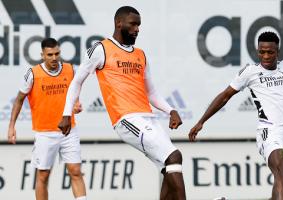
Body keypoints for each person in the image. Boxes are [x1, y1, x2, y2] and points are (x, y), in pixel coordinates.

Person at [188, 31, 283, 200]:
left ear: (277, 51)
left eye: (270, 52)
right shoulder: (250, 72)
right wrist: (201, 121)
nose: (266, 56)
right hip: (269, 133)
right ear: (257, 51)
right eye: (262, 52)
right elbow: (225, 96)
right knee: (281, 172)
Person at [58, 6, 186, 200]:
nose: (137, 29)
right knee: (174, 156)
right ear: (119, 23)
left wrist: (171, 110)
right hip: (126, 119)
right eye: (133, 24)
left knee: (168, 167)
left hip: (148, 118)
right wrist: (67, 114)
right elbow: (76, 82)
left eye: (139, 25)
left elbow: (150, 91)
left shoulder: (140, 54)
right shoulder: (101, 49)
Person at [7, 38, 87, 200]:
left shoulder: (70, 69)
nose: (54, 58)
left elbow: (74, 93)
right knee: (43, 175)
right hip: (45, 133)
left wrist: (76, 104)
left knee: (75, 171)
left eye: (57, 53)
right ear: (42, 55)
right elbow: (19, 99)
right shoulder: (33, 74)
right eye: (50, 54)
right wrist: (11, 126)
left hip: (68, 130)